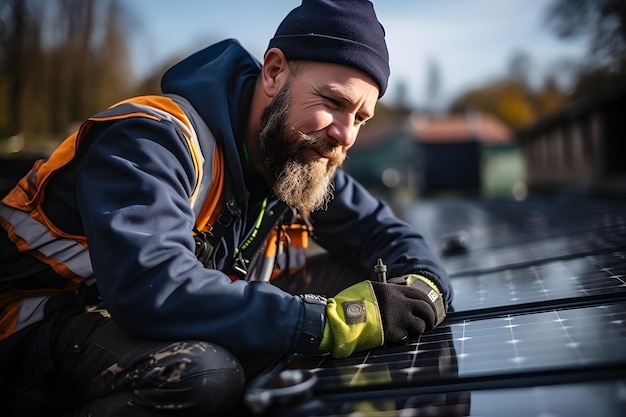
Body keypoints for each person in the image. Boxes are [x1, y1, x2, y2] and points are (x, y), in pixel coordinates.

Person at [0, 0, 452, 415]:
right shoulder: (151, 139)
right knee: (202, 374)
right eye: (334, 103)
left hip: (121, 326)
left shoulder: (295, 159)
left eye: (361, 118)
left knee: (372, 282)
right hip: (35, 332)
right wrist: (327, 322)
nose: (346, 135)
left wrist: (423, 288)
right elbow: (152, 287)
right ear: (274, 73)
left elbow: (389, 235)